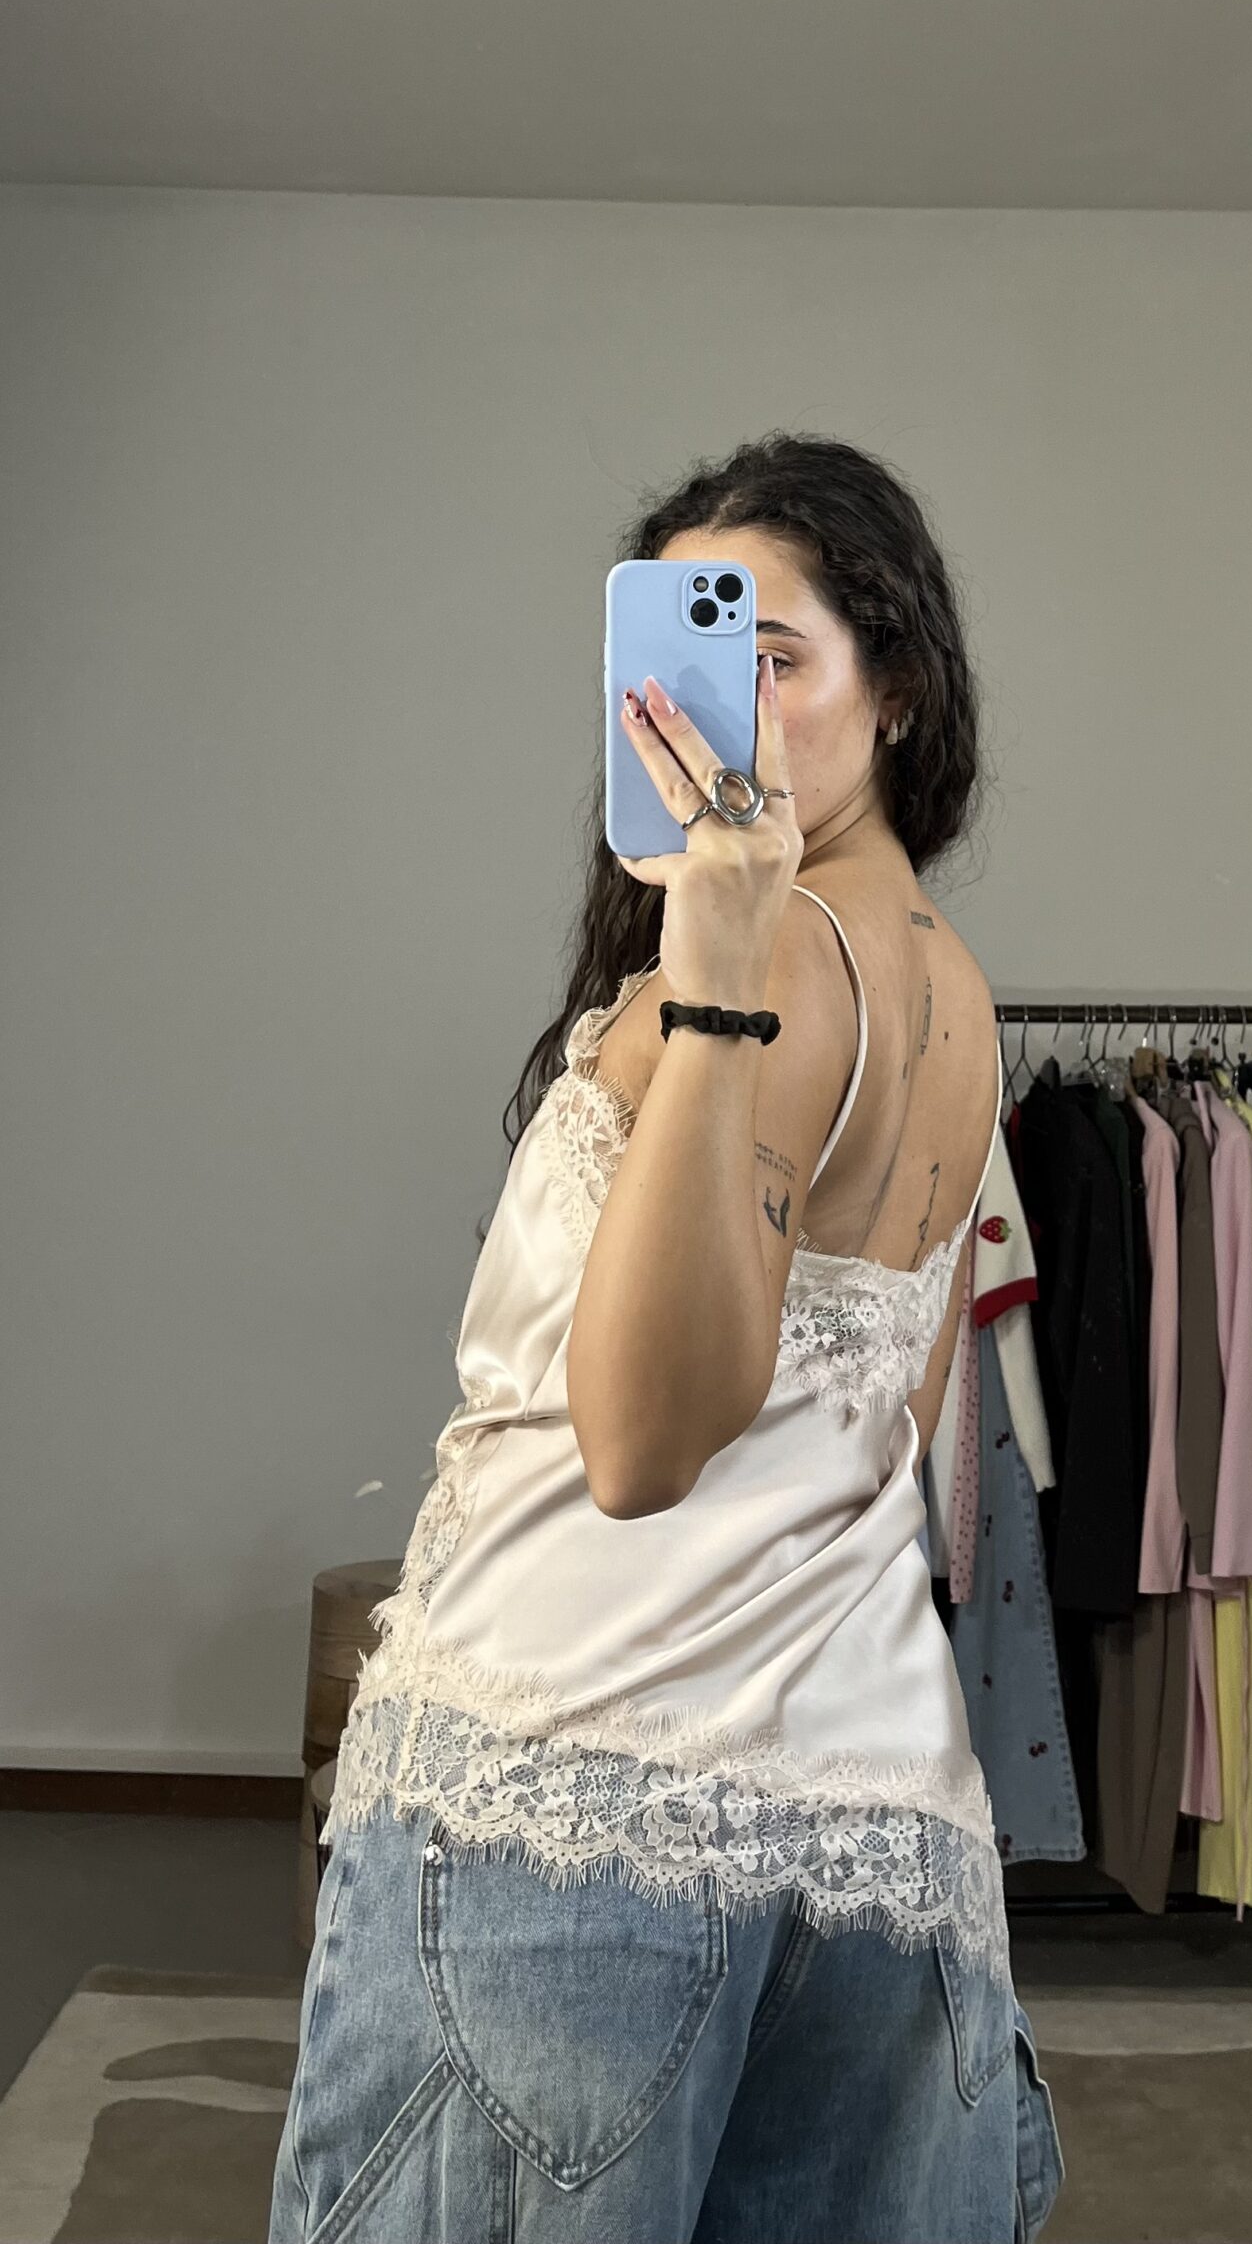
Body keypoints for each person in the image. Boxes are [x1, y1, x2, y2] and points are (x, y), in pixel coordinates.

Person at [269, 435, 1065, 2242]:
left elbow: (638, 1448)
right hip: (876, 1820)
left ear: (898, 691)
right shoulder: (951, 986)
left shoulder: (765, 966)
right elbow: (887, 1430)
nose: (731, 715)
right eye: (699, 659)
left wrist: (707, 976)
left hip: (573, 1804)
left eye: (780, 658)